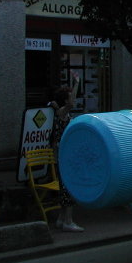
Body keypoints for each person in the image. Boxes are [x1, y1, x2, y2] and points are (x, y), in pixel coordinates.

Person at [49, 72, 83, 232]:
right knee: (69, 187)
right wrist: (76, 83)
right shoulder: (62, 113)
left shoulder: (61, 113)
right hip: (65, 156)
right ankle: (68, 220)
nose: (73, 100)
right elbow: (70, 104)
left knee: (64, 187)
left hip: (63, 155)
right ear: (64, 100)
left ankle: (62, 219)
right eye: (69, 97)